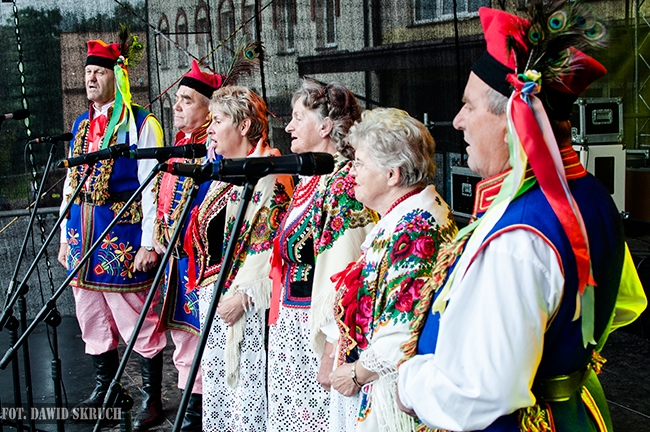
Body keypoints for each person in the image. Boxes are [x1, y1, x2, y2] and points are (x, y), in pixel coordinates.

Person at [397, 3, 648, 431]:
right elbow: (625, 303)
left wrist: (408, 385)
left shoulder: (519, 235)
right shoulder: (591, 194)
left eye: (469, 106)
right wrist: (562, 356)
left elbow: (477, 394)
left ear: (512, 119)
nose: (457, 121)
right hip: (572, 412)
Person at [57, 37, 168, 430]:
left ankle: (151, 398)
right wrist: (64, 237)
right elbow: (71, 184)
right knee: (91, 316)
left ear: (117, 76)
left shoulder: (141, 123)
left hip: (121, 236)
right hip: (82, 235)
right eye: (87, 72)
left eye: (98, 72)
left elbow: (152, 184)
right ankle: (107, 390)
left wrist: (148, 242)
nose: (90, 78)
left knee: (136, 317)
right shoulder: (81, 125)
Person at [328, 107, 457, 432]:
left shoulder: (415, 230)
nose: (351, 172)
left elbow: (402, 331)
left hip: (395, 399)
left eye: (359, 163)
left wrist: (356, 373)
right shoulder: (409, 215)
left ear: (392, 175)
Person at [266, 80, 377, 432]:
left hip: (317, 333)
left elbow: (346, 274)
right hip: (295, 326)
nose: (288, 127)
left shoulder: (343, 183)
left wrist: (332, 350)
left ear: (326, 126)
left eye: (298, 117)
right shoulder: (313, 178)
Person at [188, 85, 293, 432]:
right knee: (224, 398)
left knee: (246, 398)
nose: (210, 129)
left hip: (246, 308)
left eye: (218, 120)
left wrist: (245, 297)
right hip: (218, 303)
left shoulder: (270, 174)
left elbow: (271, 244)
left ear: (244, 125)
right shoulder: (229, 173)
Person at [151, 59, 222, 430]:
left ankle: (199, 416)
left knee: (203, 341)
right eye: (177, 99)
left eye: (186, 100)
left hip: (202, 263)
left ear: (210, 111)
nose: (176, 106)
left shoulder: (216, 151)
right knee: (183, 339)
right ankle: (191, 412)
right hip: (177, 262)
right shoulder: (180, 145)